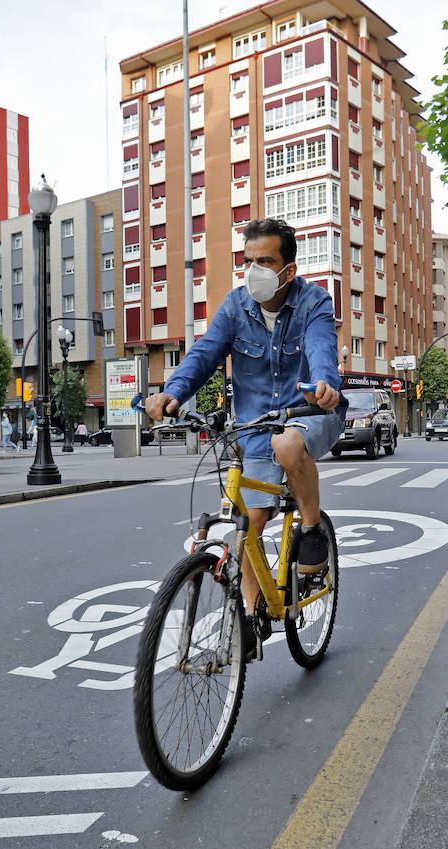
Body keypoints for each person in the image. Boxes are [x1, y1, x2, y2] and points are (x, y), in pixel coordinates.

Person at [145, 218, 345, 647]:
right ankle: (253, 616)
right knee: (247, 527)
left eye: (265, 261)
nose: (254, 269)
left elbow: (321, 349)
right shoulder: (235, 307)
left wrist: (326, 385)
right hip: (254, 428)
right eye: (248, 261)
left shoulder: (314, 302)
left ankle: (311, 531)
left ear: (287, 270)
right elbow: (203, 354)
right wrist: (172, 394)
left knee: (287, 442)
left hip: (310, 414)